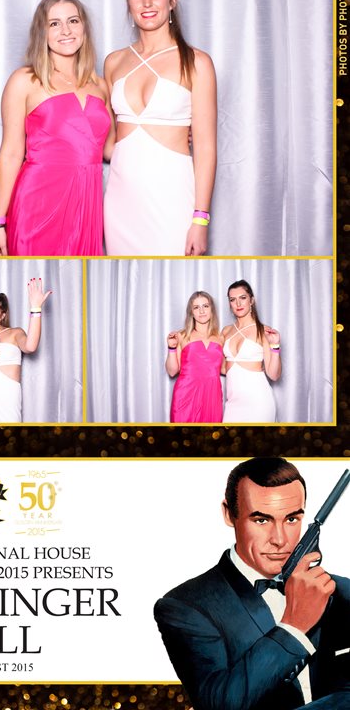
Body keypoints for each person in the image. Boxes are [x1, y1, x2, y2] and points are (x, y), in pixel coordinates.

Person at [154, 457, 350, 710]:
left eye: (291, 519)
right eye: (261, 520)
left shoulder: (341, 591)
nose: (279, 540)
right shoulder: (185, 606)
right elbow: (221, 705)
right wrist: (294, 626)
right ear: (229, 514)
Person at [103, 0, 217, 256]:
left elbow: (205, 148)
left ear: (172, 0)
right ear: (128, 3)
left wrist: (200, 219)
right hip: (120, 203)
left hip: (173, 198)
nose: (147, 2)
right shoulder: (113, 62)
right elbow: (109, 142)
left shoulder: (197, 62)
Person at [0, 0, 114, 257]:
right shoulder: (24, 80)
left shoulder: (101, 86)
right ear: (42, 32)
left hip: (86, 203)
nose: (66, 30)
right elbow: (11, 154)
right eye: (54, 23)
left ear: (84, 27)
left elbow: (111, 150)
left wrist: (166, 133)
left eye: (73, 21)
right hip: (38, 202)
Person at [0, 277, 52, 422]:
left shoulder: (15, 333)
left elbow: (31, 346)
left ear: (2, 315)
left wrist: (35, 308)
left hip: (8, 398)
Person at [222, 279, 281, 422]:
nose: (238, 303)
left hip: (259, 402)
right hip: (232, 404)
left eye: (243, 298)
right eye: (233, 300)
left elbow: (274, 375)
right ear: (229, 304)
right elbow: (222, 368)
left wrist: (275, 345)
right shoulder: (225, 331)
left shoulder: (263, 330)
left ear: (252, 300)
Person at [166, 290, 223, 423]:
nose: (202, 311)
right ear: (191, 312)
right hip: (186, 395)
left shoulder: (220, 338)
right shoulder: (181, 336)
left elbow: (225, 368)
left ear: (212, 309)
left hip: (212, 396)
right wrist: (172, 348)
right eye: (196, 307)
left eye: (205, 306)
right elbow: (172, 371)